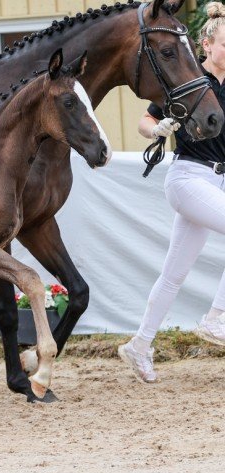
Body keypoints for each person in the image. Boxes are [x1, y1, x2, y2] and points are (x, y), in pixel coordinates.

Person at [119, 2, 225, 383]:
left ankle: (140, 345)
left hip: (218, 181)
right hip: (188, 178)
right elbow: (145, 121)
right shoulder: (189, 80)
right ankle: (217, 318)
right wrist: (159, 128)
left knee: (173, 274)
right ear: (207, 45)